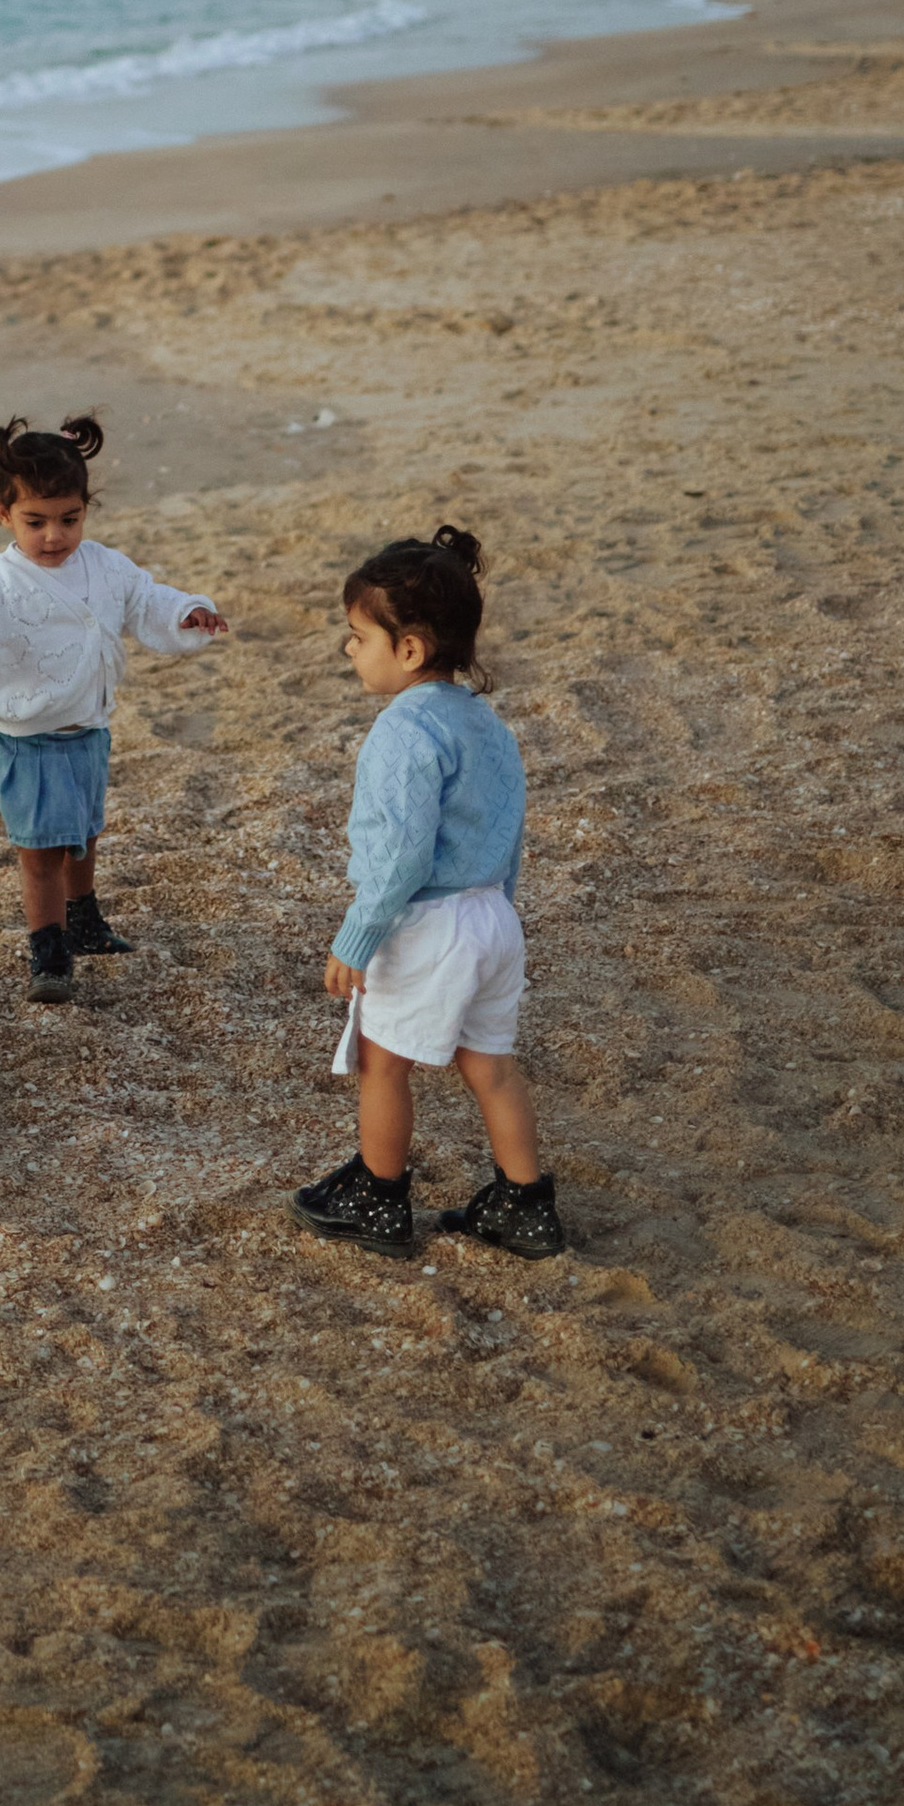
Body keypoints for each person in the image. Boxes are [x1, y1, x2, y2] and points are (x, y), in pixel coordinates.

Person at [293, 526, 564, 1259]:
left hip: (429, 921)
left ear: (408, 648)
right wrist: (500, 902)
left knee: (383, 1064)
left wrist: (357, 936)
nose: (350, 651)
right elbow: (509, 824)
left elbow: (401, 855)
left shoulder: (402, 731)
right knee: (492, 1066)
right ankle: (525, 1202)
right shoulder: (485, 721)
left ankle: (380, 1197)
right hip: (490, 915)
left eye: (357, 637)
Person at [0, 415, 226, 1005]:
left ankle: (84, 920)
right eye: (36, 522)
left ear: (85, 510)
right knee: (40, 850)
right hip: (28, 735)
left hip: (88, 725)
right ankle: (48, 950)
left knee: (83, 835)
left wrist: (187, 613)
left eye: (69, 519)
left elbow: (146, 599)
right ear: (4, 516)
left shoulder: (104, 565)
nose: (54, 535)